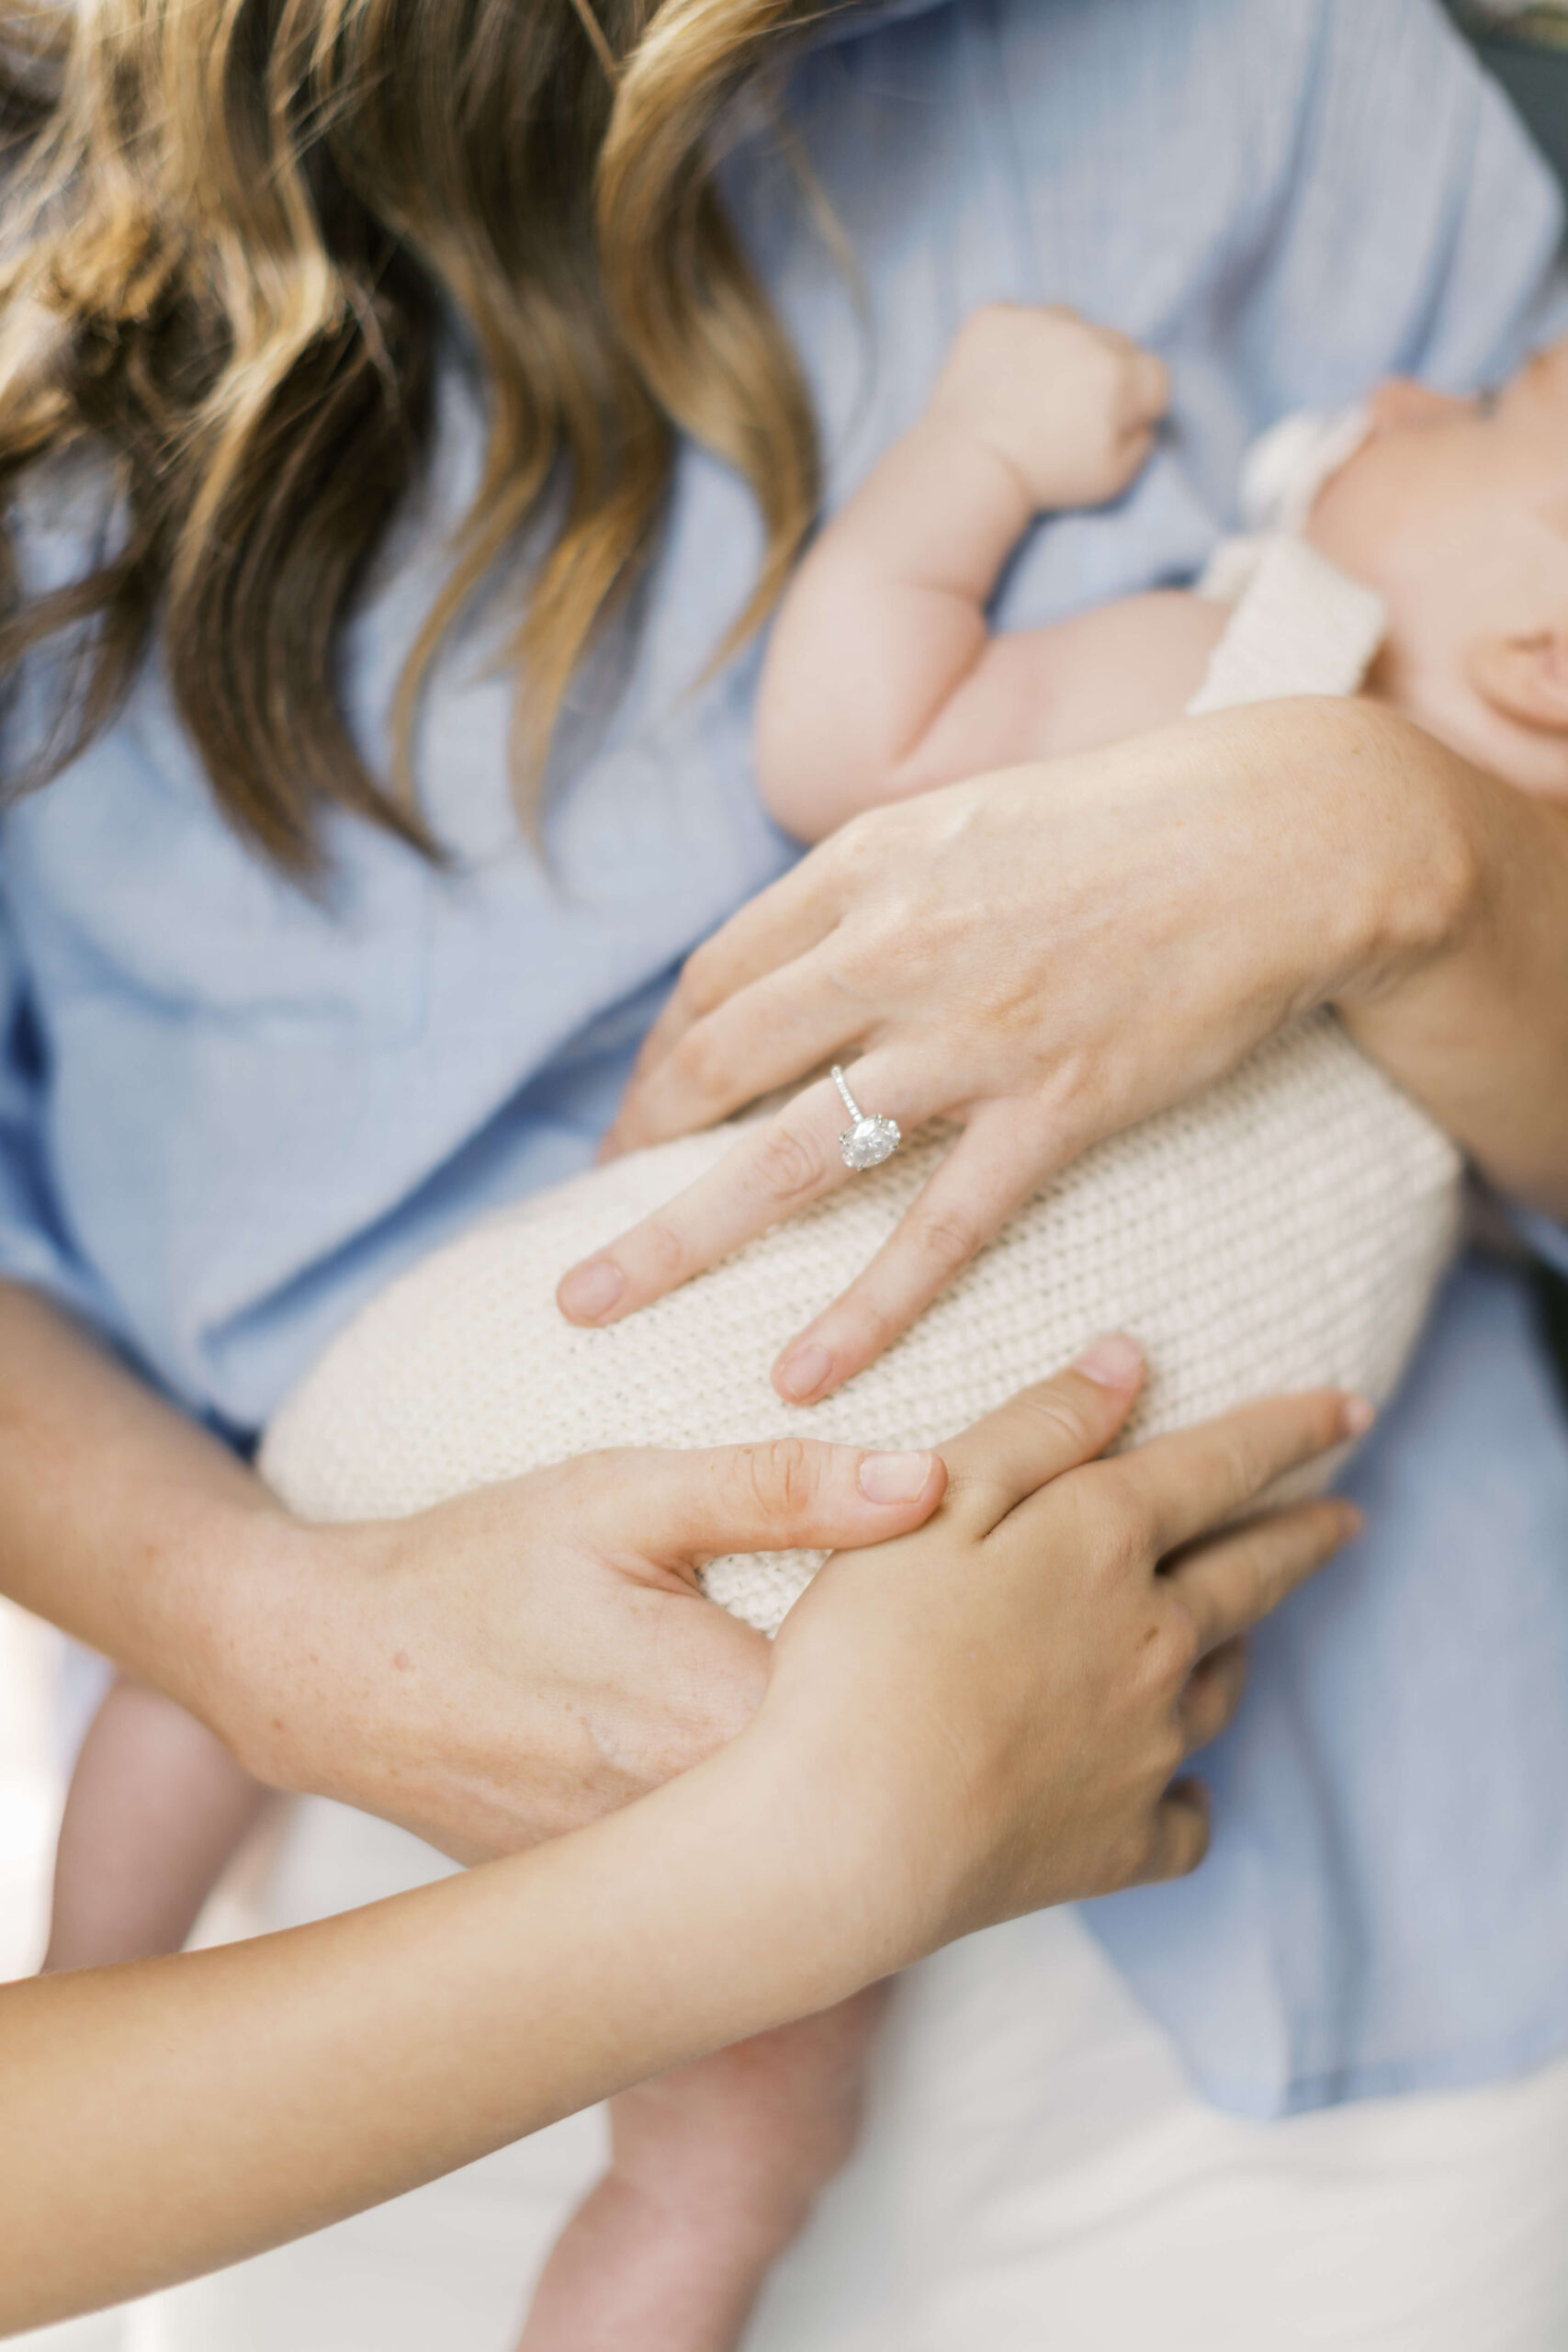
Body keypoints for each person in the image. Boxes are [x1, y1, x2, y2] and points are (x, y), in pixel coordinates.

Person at [3, 0, 1568, 2343]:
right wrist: (259, 1633)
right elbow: (863, 736)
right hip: (367, 1858)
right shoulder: (1235, 645)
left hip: (1325, 1894)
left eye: (1499, 414)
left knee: (716, 2026)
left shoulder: (1275, 102)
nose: (1429, 398)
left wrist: (1412, 852)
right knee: (668, 1999)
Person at [0, 1356, 1363, 2338]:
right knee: (706, 2184)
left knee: (184, 1678)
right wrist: (814, 1850)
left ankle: (88, 1972)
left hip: (310, 1448)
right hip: (699, 1583)